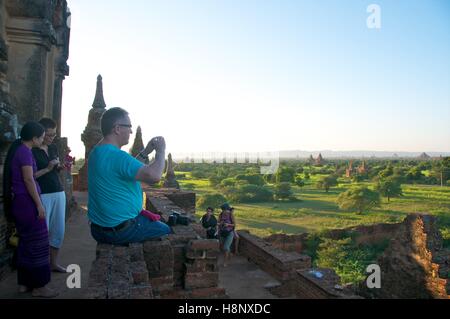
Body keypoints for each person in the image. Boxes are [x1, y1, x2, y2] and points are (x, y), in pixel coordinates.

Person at [88, 107, 170, 245]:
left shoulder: (97, 151)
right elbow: (154, 176)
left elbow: (129, 170)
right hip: (121, 230)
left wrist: (145, 152)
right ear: (117, 128)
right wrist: (161, 151)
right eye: (129, 126)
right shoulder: (117, 156)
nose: (131, 131)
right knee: (166, 230)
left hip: (98, 229)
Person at [2, 121, 57, 297]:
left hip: (20, 202)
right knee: (39, 243)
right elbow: (28, 180)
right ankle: (40, 286)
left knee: (26, 243)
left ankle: (24, 283)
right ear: (34, 138)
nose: (43, 139)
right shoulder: (25, 153)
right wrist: (39, 204)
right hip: (27, 202)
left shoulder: (20, 151)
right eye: (42, 136)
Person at [32, 118, 67, 273]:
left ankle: (53, 263)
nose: (52, 137)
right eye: (49, 134)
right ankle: (39, 267)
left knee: (58, 230)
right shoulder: (32, 150)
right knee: (41, 232)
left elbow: (55, 168)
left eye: (54, 134)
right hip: (43, 194)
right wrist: (47, 168)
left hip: (58, 192)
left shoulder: (53, 148)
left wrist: (60, 167)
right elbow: (29, 176)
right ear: (41, 133)